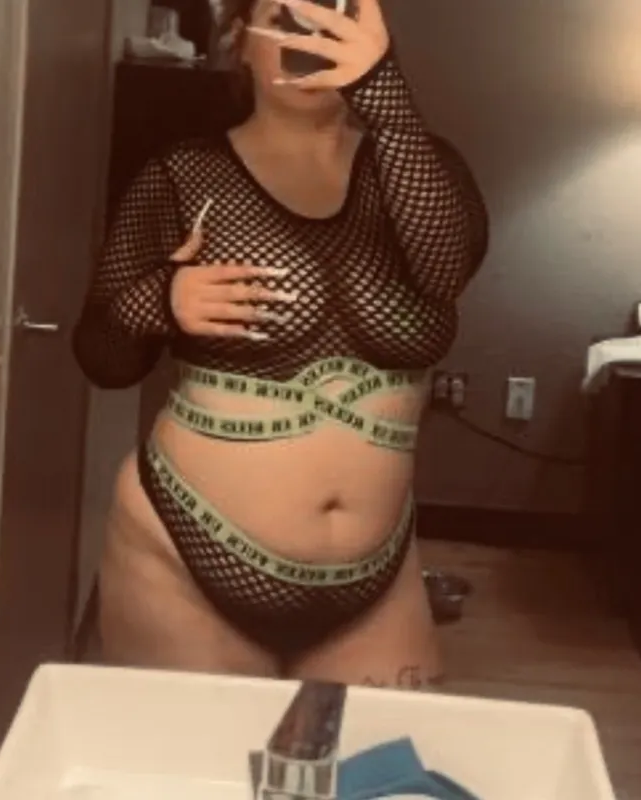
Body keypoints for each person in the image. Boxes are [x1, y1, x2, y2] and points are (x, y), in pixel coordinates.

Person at [73, 0, 488, 689]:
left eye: (335, 15)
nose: (313, 37)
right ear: (239, 40)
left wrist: (385, 97)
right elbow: (102, 357)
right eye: (288, 17)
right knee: (201, 759)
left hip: (376, 580)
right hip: (180, 551)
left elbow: (445, 272)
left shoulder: (418, 167)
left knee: (366, 759)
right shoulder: (183, 175)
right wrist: (162, 300)